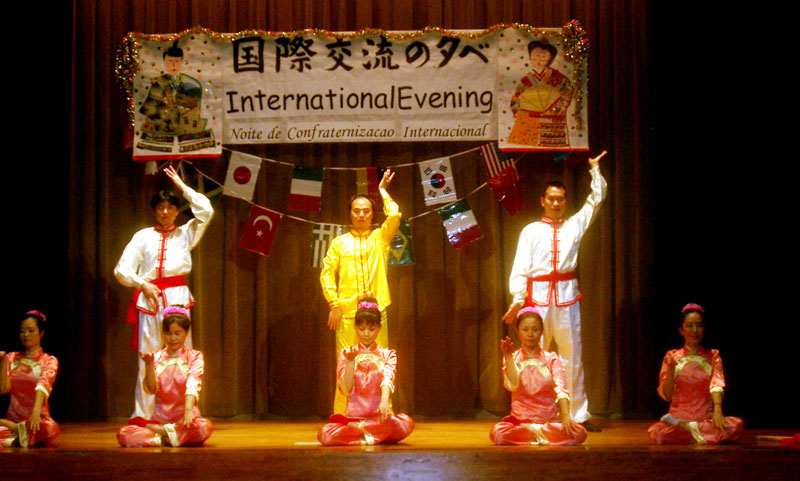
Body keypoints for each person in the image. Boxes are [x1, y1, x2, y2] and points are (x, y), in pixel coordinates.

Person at [502, 151, 607, 430]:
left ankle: (577, 414)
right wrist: (518, 299)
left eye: (560, 199)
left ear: (565, 201)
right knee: (534, 357)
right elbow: (521, 266)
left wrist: (595, 170)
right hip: (538, 300)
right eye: (551, 199)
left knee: (572, 356)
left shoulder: (575, 225)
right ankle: (535, 411)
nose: (556, 203)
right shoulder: (531, 230)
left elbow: (596, 201)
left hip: (567, 298)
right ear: (543, 201)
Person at [114, 165, 213, 423]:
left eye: (170, 207)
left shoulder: (186, 233)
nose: (165, 212)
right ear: (154, 211)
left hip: (178, 299)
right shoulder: (142, 237)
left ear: (178, 211)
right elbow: (121, 270)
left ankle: (183, 412)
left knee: (181, 355)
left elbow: (206, 210)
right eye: (160, 207)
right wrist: (142, 284)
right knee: (148, 357)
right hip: (150, 300)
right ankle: (144, 414)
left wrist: (182, 187)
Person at [320, 169, 400, 413]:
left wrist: (383, 191)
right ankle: (342, 415)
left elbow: (394, 215)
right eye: (357, 210)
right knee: (345, 363)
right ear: (350, 213)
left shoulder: (380, 238)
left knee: (380, 363)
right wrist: (334, 304)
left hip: (377, 313)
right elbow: (326, 273)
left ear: (372, 213)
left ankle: (382, 413)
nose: (362, 214)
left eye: (366, 210)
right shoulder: (339, 243)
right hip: (347, 314)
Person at [318, 299, 414, 446]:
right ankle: (372, 434)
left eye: (371, 329)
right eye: (362, 329)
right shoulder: (346, 354)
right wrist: (350, 362)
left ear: (379, 328)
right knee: (326, 434)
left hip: (378, 419)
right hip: (354, 420)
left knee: (406, 423)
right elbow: (346, 389)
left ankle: (362, 434)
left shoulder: (388, 355)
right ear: (355, 328)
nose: (366, 334)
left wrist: (384, 401)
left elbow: (388, 378)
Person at [648, 303, 745, 444]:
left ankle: (689, 432)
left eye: (699, 325)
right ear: (681, 330)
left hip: (704, 419)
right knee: (656, 432)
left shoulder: (713, 355)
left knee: (737, 426)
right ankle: (701, 435)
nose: (695, 330)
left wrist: (718, 410)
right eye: (689, 326)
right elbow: (667, 396)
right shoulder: (671, 356)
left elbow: (716, 385)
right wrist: (670, 371)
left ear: (704, 329)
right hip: (677, 420)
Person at [117, 307, 213, 447]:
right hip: (161, 420)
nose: (172, 338)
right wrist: (149, 365)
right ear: (163, 334)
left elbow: (193, 382)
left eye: (177, 333)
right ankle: (168, 436)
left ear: (186, 333)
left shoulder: (194, 356)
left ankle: (163, 434)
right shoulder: (156, 357)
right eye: (168, 334)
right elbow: (150, 389)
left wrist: (188, 410)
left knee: (204, 427)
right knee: (124, 433)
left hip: (185, 420)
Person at [491, 307, 587, 446]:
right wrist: (508, 356)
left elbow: (561, 389)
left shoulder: (551, 358)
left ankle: (533, 436)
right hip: (521, 422)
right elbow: (512, 385)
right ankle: (538, 436)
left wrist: (566, 415)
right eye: (525, 330)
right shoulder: (512, 357)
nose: (530, 334)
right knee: (499, 434)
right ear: (517, 332)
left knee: (579, 433)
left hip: (549, 422)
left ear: (542, 331)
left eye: (535, 329)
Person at [0, 310, 59, 448]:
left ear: (41, 333)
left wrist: (35, 414)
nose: (26, 335)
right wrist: (3, 362)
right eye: (22, 331)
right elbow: (3, 389)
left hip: (37, 419)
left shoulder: (48, 360)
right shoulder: (12, 358)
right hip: (12, 420)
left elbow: (43, 385)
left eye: (31, 331)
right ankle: (20, 432)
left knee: (49, 429)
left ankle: (17, 433)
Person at [507, 40, 574, 148]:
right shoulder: (526, 79)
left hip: (551, 117)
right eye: (535, 57)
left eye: (543, 58)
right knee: (525, 146)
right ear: (530, 57)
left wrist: (558, 108)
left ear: (550, 59)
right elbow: (517, 95)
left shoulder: (557, 77)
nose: (539, 60)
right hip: (528, 116)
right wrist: (515, 110)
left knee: (550, 143)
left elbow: (568, 90)